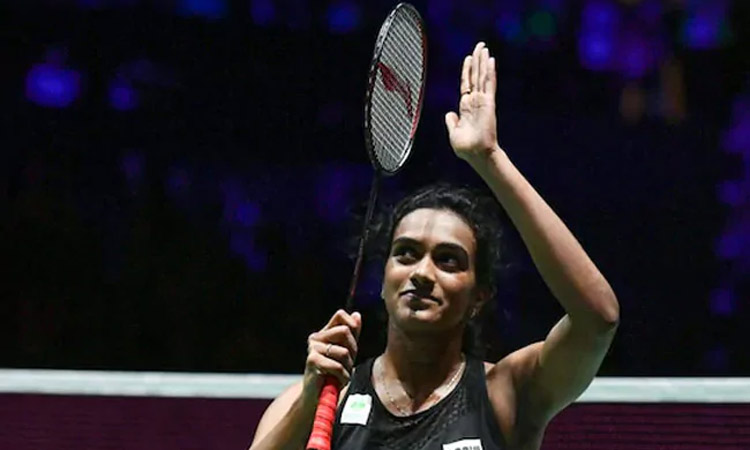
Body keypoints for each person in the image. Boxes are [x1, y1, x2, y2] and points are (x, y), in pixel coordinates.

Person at [249, 42, 619, 450]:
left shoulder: (506, 395)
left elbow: (597, 319)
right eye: (406, 253)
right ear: (384, 277)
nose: (422, 273)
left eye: (448, 260)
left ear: (479, 295)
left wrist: (490, 159)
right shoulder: (318, 402)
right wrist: (310, 403)